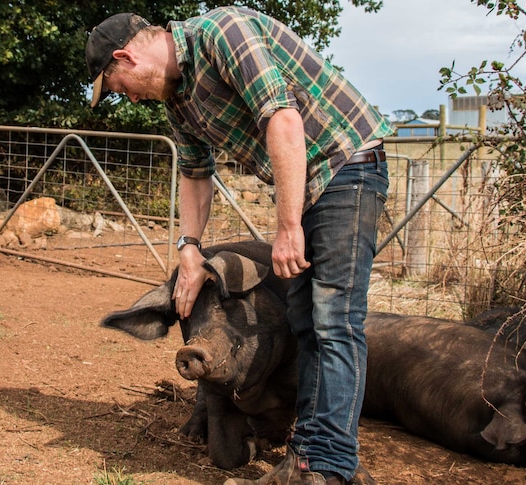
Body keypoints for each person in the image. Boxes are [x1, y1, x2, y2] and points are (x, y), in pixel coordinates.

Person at [85, 8, 392, 485]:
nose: (126, 96)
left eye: (118, 85)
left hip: (346, 164)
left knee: (334, 318)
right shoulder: (178, 102)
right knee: (307, 320)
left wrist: (288, 227)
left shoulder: (222, 33)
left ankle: (327, 466)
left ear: (125, 56)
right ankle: (312, 455)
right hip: (308, 181)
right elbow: (194, 172)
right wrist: (189, 248)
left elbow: (284, 120)